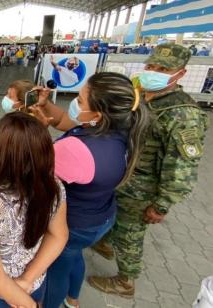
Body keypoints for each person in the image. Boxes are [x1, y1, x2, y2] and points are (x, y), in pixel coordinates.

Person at [88, 43, 209, 298]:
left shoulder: (183, 114)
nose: (153, 72)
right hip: (124, 178)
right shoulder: (142, 96)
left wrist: (162, 204)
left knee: (130, 232)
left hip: (143, 188)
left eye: (163, 69)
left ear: (181, 74)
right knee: (115, 217)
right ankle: (106, 244)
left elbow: (182, 168)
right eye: (151, 66)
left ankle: (125, 281)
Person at [29, 72, 149, 308]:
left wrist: (39, 131)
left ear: (98, 114)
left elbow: (33, 169)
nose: (75, 101)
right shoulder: (120, 129)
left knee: (55, 270)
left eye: (81, 100)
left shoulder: (76, 149)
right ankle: (73, 299)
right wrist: (47, 106)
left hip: (72, 223)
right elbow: (66, 121)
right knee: (74, 255)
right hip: (100, 217)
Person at [0, 112, 68, 308]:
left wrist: (28, 305)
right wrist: (28, 279)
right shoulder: (54, 186)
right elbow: (59, 235)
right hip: (35, 281)